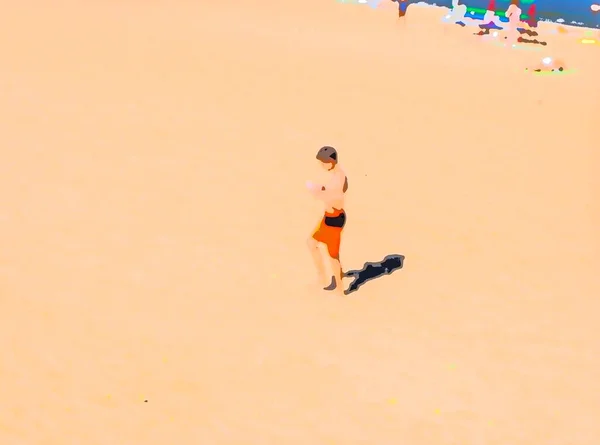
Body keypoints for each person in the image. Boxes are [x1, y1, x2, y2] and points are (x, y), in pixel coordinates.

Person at [306, 146, 348, 295]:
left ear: (331, 161)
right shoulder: (338, 174)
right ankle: (322, 277)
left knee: (333, 256)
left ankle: (340, 289)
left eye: (323, 162)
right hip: (329, 218)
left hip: (333, 220)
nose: (321, 165)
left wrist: (317, 192)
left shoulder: (338, 178)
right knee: (311, 243)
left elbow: (333, 196)